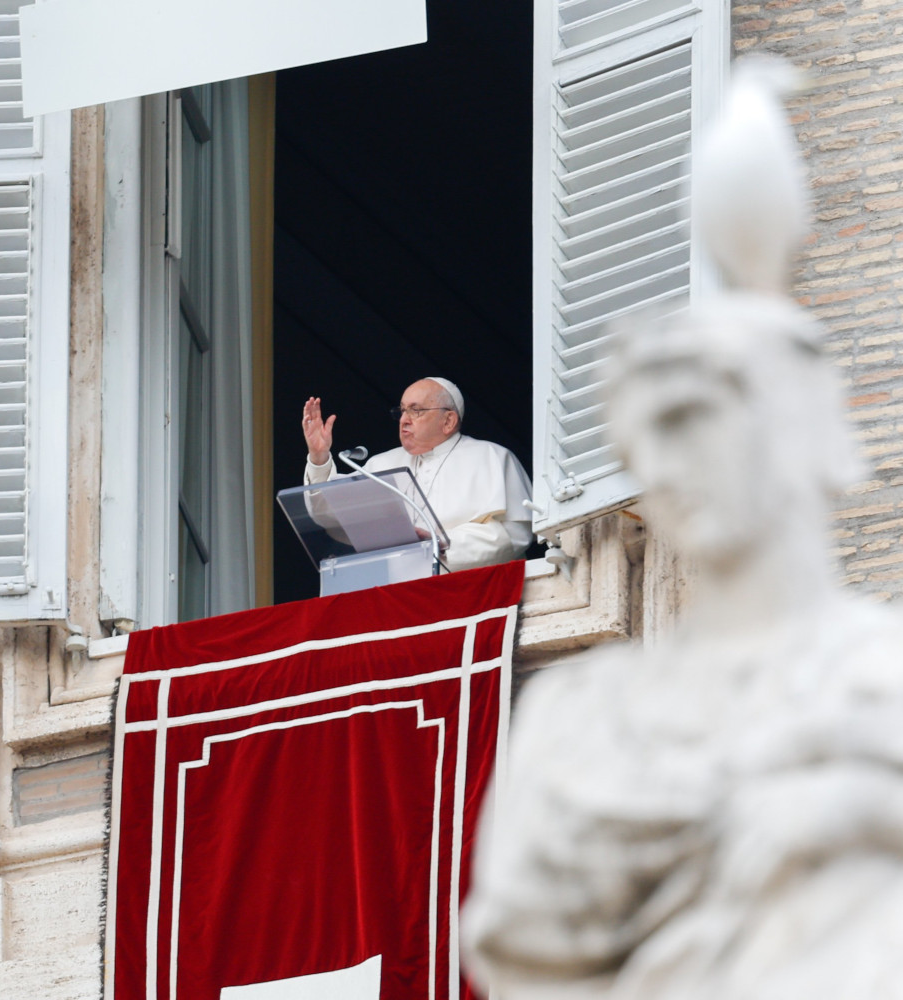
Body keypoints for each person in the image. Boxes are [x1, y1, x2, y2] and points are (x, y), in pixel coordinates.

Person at [461, 58, 903, 1000]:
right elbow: (522, 954)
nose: (666, 465)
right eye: (645, 435)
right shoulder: (577, 721)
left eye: (697, 421)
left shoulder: (886, 674)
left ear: (797, 424)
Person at [301, 377, 532, 571]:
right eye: (402, 411)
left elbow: (515, 535)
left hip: (464, 589)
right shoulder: (381, 463)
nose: (404, 420)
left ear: (448, 420)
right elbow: (330, 516)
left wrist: (440, 544)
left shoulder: (490, 457)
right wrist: (319, 457)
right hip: (394, 591)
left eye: (416, 410)